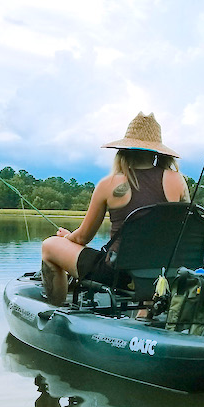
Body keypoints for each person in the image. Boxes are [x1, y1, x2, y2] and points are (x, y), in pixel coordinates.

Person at [40, 112, 190, 304]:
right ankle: (147, 306)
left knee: (50, 246)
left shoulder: (108, 184)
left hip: (119, 275)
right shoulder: (177, 181)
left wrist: (66, 238)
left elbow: (82, 238)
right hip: (165, 273)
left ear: (124, 150)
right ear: (157, 152)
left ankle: (55, 308)